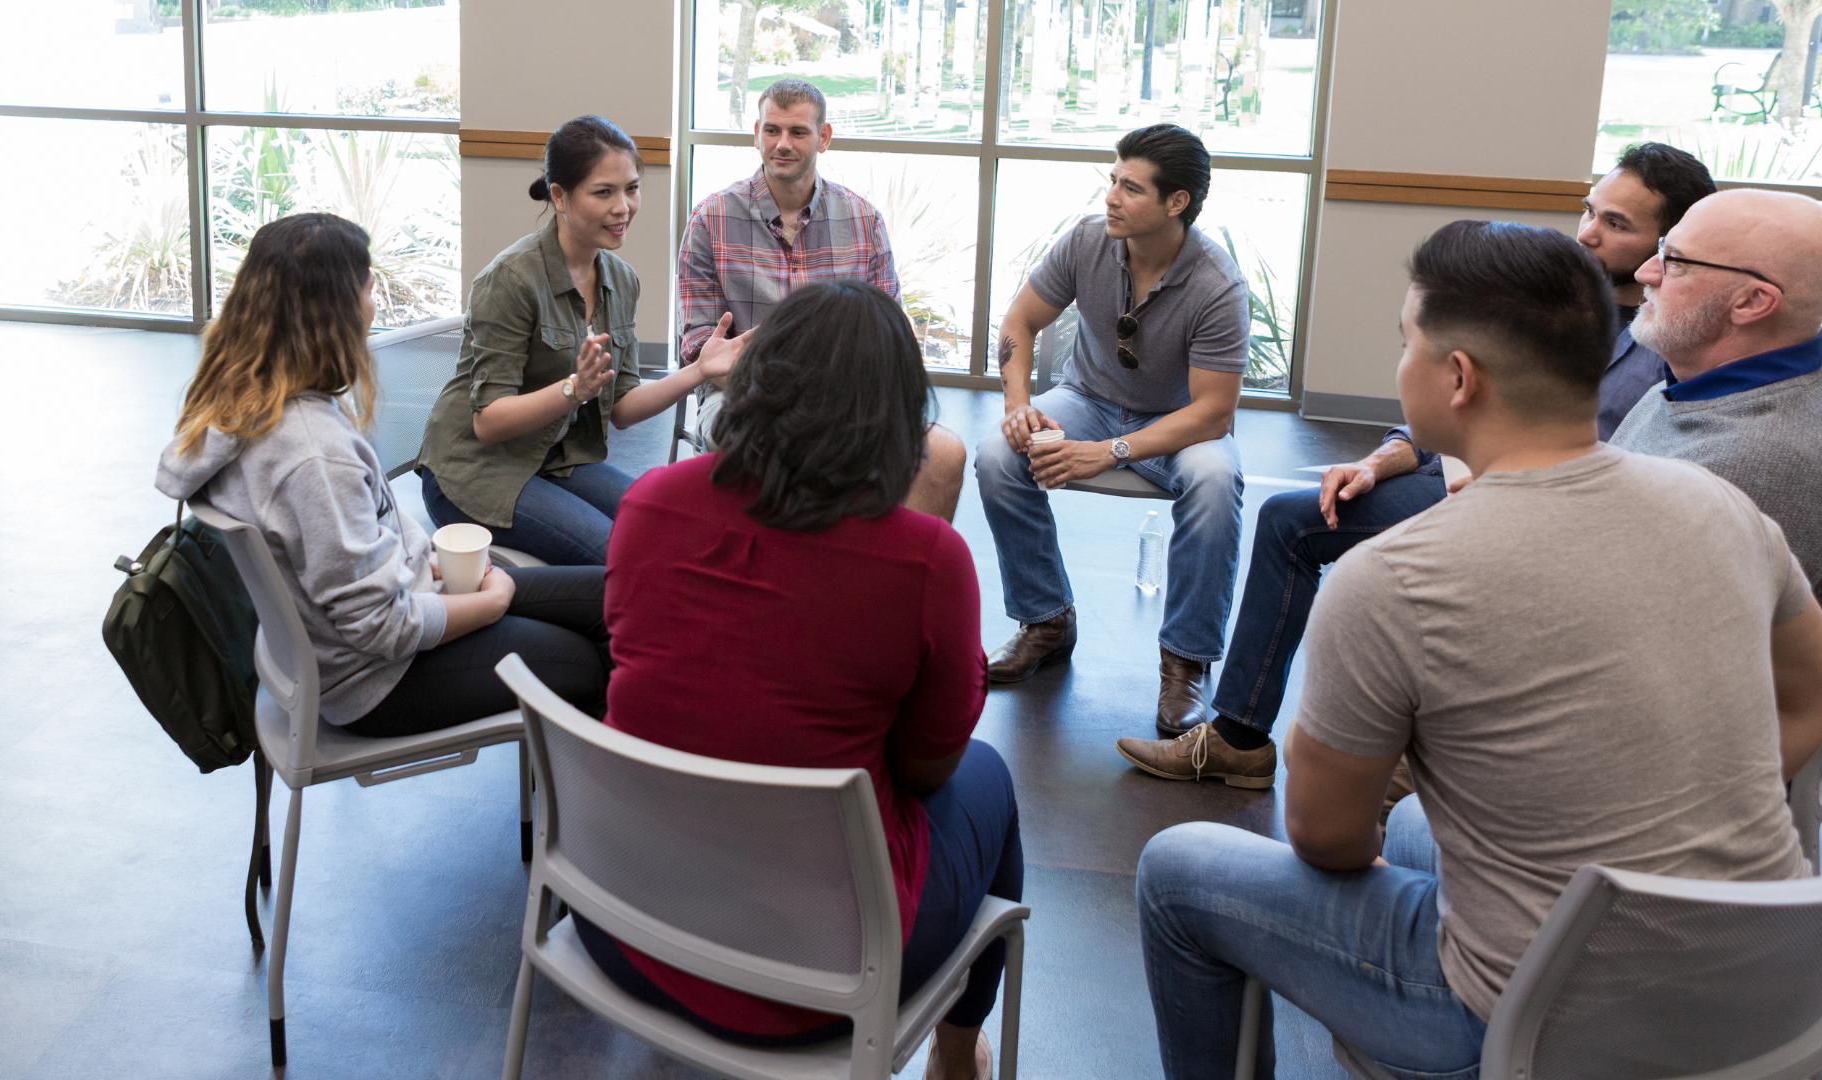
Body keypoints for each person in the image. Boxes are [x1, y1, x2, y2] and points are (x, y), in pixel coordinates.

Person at [1135, 220, 1822, 1080]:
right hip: (1774, 1002)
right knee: (1422, 823)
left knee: (1176, 870)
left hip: (1534, 1037)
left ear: (1458, 378)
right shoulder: (1723, 505)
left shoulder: (1392, 578)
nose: (1402, 366)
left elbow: (1325, 837)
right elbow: (1809, 697)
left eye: (1405, 346)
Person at [1116, 141, 1718, 787]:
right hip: (1461, 474)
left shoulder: (1673, 344)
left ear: (1670, 244)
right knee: (1293, 518)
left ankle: (1389, 767)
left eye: (1617, 225)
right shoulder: (1554, 292)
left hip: (1539, 509)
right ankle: (1240, 739)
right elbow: (1458, 389)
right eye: (1590, 211)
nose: (1588, 234)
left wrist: (1497, 488)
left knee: (1342, 558)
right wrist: (1381, 460)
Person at [583, 281, 1021, 1080]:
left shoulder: (647, 503)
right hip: (820, 980)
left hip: (623, 923)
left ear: (755, 381)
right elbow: (929, 770)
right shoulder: (928, 558)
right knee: (991, 778)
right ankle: (958, 1054)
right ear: (897, 416)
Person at [156, 213, 609, 737]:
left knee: (610, 596)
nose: (375, 299)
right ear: (337, 311)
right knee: (586, 660)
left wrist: (432, 566)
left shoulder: (245, 409)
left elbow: (346, 562)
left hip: (381, 628)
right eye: (370, 285)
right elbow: (381, 628)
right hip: (381, 680)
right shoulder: (312, 455)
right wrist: (491, 603)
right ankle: (589, 804)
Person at [975, 123, 1248, 723]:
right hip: (1087, 399)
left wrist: (1111, 451)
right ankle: (1045, 621)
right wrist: (1019, 405)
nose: (1111, 198)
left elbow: (1214, 413)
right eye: (1113, 181)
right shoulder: (1086, 242)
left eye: (1131, 188)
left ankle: (1185, 663)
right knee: (997, 454)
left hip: (1179, 424)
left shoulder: (1217, 285)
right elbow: (1019, 324)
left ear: (1176, 203)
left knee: (1215, 482)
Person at [417, 115, 740, 566]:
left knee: (671, 525)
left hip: (555, 458)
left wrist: (699, 371)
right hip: (476, 472)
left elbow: (624, 408)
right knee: (622, 554)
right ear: (559, 196)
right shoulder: (511, 279)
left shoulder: (621, 280)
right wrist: (574, 389)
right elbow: (487, 423)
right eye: (603, 192)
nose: (623, 206)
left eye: (631, 188)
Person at [676, 77, 968, 521]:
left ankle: (884, 575)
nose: (783, 144)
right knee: (757, 444)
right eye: (772, 130)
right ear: (757, 133)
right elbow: (697, 343)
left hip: (844, 396)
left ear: (824, 138)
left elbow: (888, 329)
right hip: (741, 392)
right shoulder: (710, 219)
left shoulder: (863, 219)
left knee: (943, 454)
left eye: (798, 132)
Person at [1613, 187, 1822, 590]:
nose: (1646, 273)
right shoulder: (1698, 383)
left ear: (1751, 302)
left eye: (1675, 262)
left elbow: (1633, 619)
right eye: (1662, 249)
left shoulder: (1750, 461)